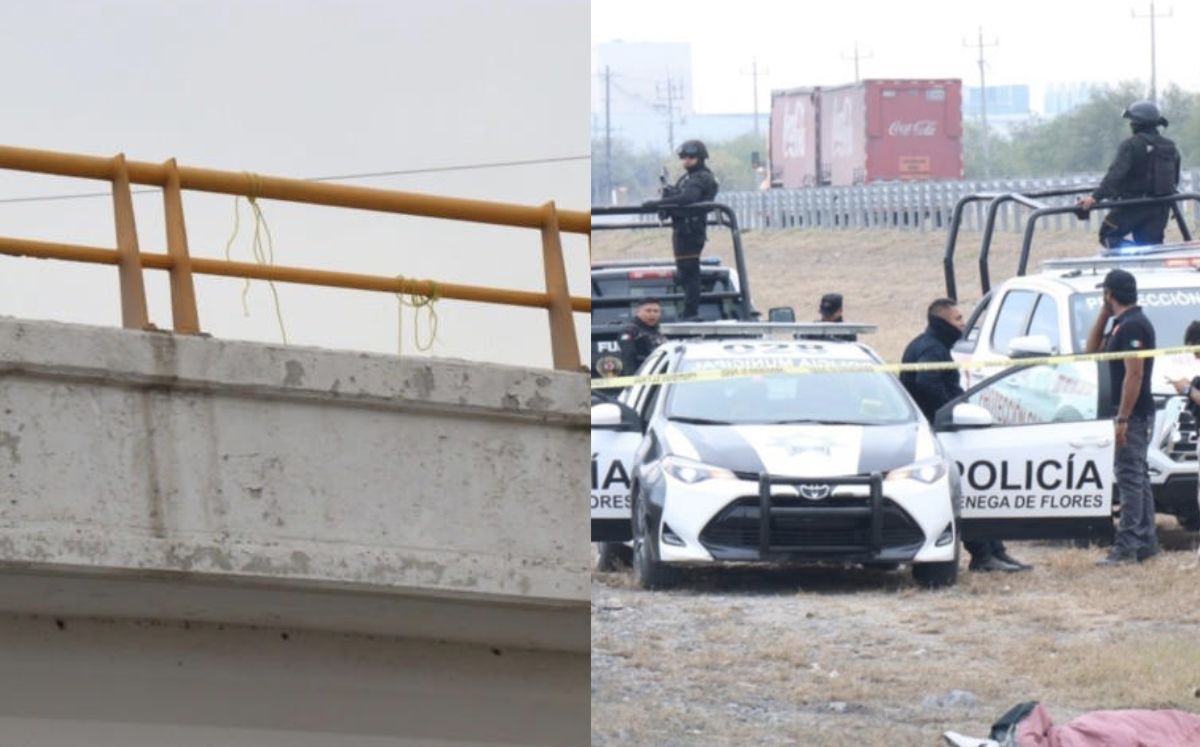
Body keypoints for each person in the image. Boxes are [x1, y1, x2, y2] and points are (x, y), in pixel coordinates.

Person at [900, 298, 1031, 573]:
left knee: (976, 491)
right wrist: (953, 408)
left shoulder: (932, 347)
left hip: (942, 431)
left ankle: (995, 551)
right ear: (942, 322)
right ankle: (983, 554)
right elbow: (927, 385)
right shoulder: (931, 350)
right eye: (958, 319)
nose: (963, 324)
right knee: (967, 493)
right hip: (940, 435)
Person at [1086, 269, 1159, 565]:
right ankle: (1146, 540)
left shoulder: (1133, 327)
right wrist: (1105, 314)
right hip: (1130, 413)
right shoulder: (1122, 325)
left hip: (1133, 414)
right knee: (1137, 476)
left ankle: (1128, 545)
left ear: (1109, 294)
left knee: (1129, 477)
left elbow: (1135, 374)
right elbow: (1091, 350)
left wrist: (1123, 418)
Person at [1075, 100, 1181, 249]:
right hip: (1160, 207)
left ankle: (1136, 254)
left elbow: (1115, 175)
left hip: (1132, 205)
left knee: (1108, 235)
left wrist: (1094, 197)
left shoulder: (1131, 145)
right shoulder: (1170, 146)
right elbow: (1175, 179)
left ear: (1136, 124)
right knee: (1151, 247)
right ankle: (1144, 260)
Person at [642, 140, 719, 320]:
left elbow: (688, 197)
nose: (686, 161)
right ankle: (689, 308)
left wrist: (657, 203)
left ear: (700, 158)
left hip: (690, 230)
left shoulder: (702, 177)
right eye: (684, 158)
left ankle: (690, 313)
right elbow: (680, 196)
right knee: (685, 272)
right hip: (683, 228)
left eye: (690, 157)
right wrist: (667, 197)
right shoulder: (688, 178)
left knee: (689, 271)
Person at [618, 298, 665, 375]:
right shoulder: (630, 331)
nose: (652, 314)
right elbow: (628, 359)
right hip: (641, 377)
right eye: (648, 311)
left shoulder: (660, 330)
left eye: (656, 311)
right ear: (638, 312)